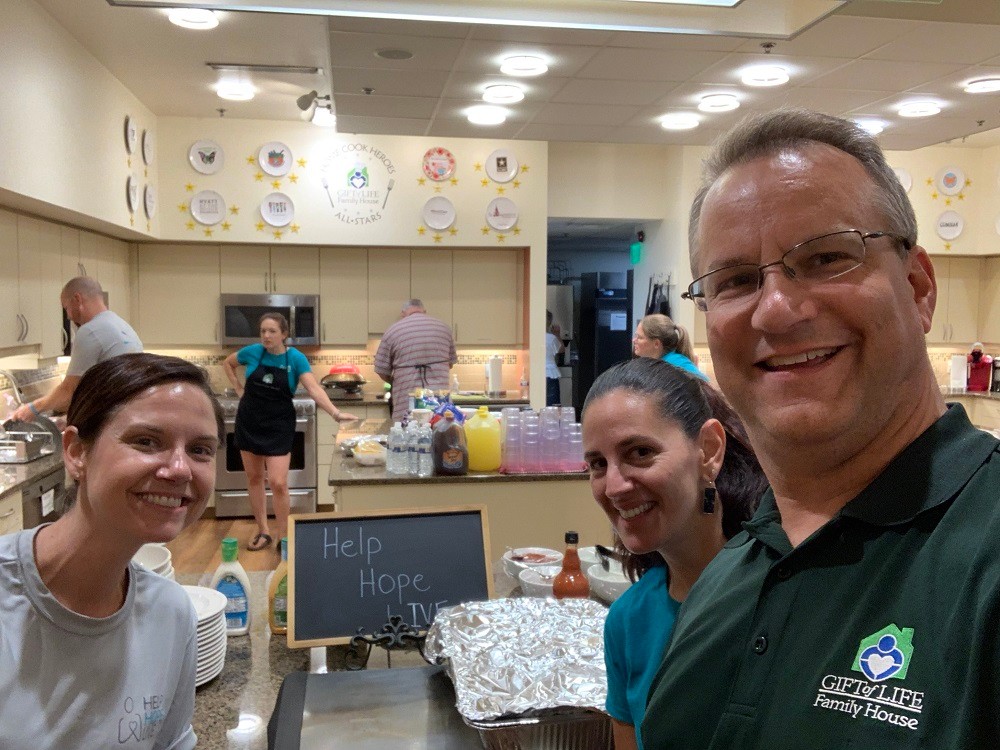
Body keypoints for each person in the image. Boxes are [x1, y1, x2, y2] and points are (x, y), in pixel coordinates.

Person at [643, 108, 1000, 748]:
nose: (777, 310)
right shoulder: (731, 574)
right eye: (736, 281)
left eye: (828, 257)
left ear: (918, 287)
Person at [0, 352, 224, 749]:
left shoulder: (170, 615)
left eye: (200, 449)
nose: (180, 469)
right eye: (146, 441)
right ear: (76, 452)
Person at [582, 358, 766, 750]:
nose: (613, 486)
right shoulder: (628, 622)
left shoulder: (779, 592)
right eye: (598, 464)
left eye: (639, 451)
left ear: (709, 450)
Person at [223, 313, 357, 551]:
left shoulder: (296, 358)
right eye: (263, 330)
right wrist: (237, 387)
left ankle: (284, 536)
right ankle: (263, 530)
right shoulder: (252, 351)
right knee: (254, 478)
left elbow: (314, 389)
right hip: (250, 420)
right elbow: (228, 363)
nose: (266, 335)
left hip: (279, 423)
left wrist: (336, 414)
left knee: (278, 482)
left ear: (284, 334)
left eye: (272, 331)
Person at [11, 276, 142, 421]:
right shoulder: (122, 325)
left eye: (66, 307)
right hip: (128, 415)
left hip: (114, 420)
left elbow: (69, 392)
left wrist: (33, 408)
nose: (67, 315)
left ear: (77, 299)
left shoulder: (90, 331)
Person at [374, 299, 457, 422]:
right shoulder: (444, 328)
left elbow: (381, 370)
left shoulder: (393, 331)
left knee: (405, 436)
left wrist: (398, 379)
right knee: (441, 432)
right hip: (440, 403)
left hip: (406, 402)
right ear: (424, 311)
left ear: (403, 313)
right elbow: (450, 364)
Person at [632, 313, 707, 381]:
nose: (634, 340)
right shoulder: (663, 363)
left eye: (639, 337)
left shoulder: (672, 366)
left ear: (656, 344)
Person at [545, 309, 565, 406]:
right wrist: (557, 334)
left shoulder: (532, 336)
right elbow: (561, 349)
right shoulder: (551, 338)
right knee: (553, 406)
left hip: (536, 374)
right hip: (550, 373)